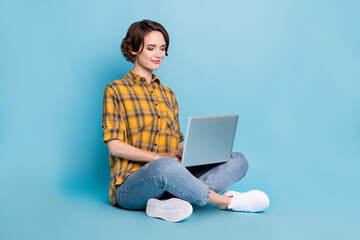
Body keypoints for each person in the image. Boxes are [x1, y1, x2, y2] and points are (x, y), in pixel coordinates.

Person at [102, 19, 270, 222]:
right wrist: (159, 157)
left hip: (171, 174)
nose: (158, 54)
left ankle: (167, 203)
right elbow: (115, 147)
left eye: (163, 49)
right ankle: (226, 202)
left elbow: (173, 143)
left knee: (238, 160)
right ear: (134, 48)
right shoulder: (116, 89)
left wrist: (195, 153)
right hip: (131, 187)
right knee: (166, 166)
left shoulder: (168, 94)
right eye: (151, 48)